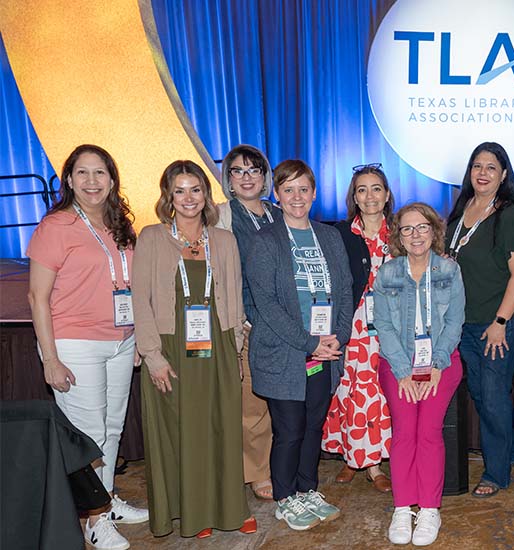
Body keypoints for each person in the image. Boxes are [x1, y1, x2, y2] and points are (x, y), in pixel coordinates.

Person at [27, 144, 148, 550]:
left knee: (112, 430)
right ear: (69, 180)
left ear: (112, 180)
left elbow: (127, 286)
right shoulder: (56, 226)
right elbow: (36, 298)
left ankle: (107, 501)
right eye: (83, 173)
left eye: (100, 173)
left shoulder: (118, 225)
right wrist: (50, 358)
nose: (92, 181)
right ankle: (94, 520)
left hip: (120, 340)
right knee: (89, 434)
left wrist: (134, 338)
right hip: (76, 343)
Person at [132, 160, 252, 538]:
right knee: (183, 431)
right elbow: (141, 301)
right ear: (168, 196)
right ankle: (192, 511)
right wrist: (152, 356)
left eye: (195, 189)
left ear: (206, 194)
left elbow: (233, 297)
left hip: (216, 345)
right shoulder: (151, 237)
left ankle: (229, 507)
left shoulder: (224, 240)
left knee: (221, 427)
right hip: (170, 347)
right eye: (179, 190)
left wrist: (236, 348)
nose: (188, 198)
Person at [244, 159, 353, 531]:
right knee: (289, 430)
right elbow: (266, 305)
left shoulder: (330, 236)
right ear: (276, 195)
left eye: (303, 189)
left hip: (326, 350)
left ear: (314, 193)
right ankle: (285, 498)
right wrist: (309, 342)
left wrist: (338, 336)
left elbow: (344, 291)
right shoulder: (265, 241)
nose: (296, 197)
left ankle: (307, 490)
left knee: (314, 426)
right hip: (284, 353)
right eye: (288, 190)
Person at [374, 202, 465, 546]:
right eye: (407, 229)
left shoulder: (449, 271)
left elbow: (455, 322)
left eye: (422, 227)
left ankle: (429, 508)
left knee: (428, 431)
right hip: (397, 364)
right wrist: (402, 372)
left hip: (442, 363)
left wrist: (439, 364)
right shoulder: (387, 274)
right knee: (404, 433)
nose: (415, 235)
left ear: (434, 230)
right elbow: (382, 324)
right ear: (398, 235)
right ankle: (402, 507)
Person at [445, 142, 514, 498]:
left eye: (491, 167)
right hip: (464, 322)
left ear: (504, 175)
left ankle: (497, 473)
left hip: (498, 322)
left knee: (494, 396)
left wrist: (500, 322)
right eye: (477, 166)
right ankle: (513, 450)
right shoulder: (462, 209)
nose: (482, 173)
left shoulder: (509, 216)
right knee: (481, 394)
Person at [322, 163, 394, 492]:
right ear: (354, 196)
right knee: (350, 389)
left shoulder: (401, 233)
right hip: (352, 325)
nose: (369, 196)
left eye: (376, 188)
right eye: (362, 189)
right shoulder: (339, 234)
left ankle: (374, 464)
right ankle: (354, 457)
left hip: (390, 328)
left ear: (387, 194)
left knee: (377, 392)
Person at [215, 144, 279, 501]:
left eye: (254, 170)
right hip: (247, 323)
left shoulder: (280, 213)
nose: (246, 177)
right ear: (228, 179)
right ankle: (257, 471)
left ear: (265, 177)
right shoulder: (220, 217)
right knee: (252, 402)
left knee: (281, 402)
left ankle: (276, 463)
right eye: (238, 171)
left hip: (284, 325)